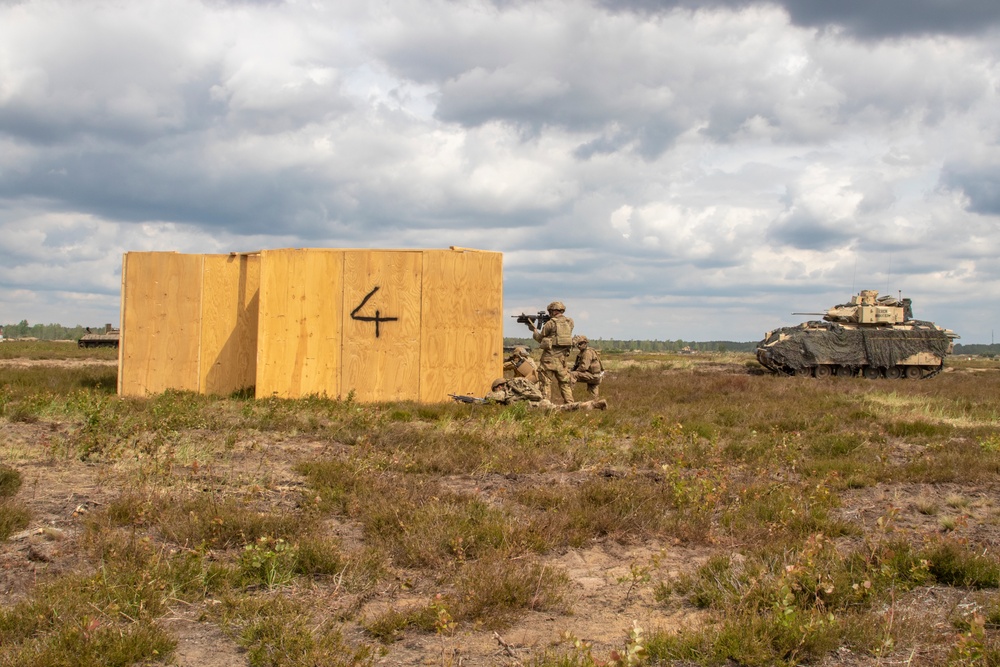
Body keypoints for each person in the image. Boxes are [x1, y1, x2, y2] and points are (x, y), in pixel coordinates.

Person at [527, 301, 575, 404]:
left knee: (546, 383)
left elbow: (540, 338)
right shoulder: (569, 322)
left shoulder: (550, 323)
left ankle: (546, 405)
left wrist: (534, 330)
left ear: (552, 311)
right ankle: (570, 404)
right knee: (565, 383)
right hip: (562, 360)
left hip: (549, 359)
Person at [485, 378, 607, 411]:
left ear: (499, 386)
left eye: (496, 389)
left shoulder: (504, 391)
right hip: (540, 401)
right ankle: (590, 404)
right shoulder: (517, 385)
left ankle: (587, 405)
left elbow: (489, 398)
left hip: (533, 407)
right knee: (559, 408)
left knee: (560, 409)